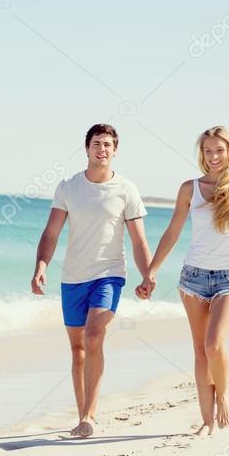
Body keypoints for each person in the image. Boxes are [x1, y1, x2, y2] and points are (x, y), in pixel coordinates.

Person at [136, 126, 229, 435]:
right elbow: (172, 232)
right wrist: (152, 271)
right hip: (193, 277)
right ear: (202, 154)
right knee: (200, 351)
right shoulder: (189, 188)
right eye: (208, 151)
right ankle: (207, 422)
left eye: (219, 151)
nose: (213, 156)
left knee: (215, 344)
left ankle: (223, 395)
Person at [32, 124, 152, 438]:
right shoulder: (68, 187)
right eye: (97, 143)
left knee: (94, 336)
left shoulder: (126, 189)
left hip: (109, 274)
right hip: (73, 278)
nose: (102, 149)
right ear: (86, 148)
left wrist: (147, 274)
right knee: (77, 349)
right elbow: (51, 232)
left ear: (115, 151)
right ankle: (81, 414)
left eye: (108, 145)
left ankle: (89, 417)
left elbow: (139, 241)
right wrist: (41, 265)